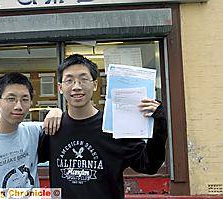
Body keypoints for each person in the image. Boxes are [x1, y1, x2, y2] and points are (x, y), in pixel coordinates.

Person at [44, 54, 168, 199]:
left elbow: (149, 165)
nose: (76, 87)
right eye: (69, 80)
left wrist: (159, 122)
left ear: (95, 84)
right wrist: (54, 110)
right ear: (60, 87)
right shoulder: (53, 127)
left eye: (83, 79)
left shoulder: (114, 126)